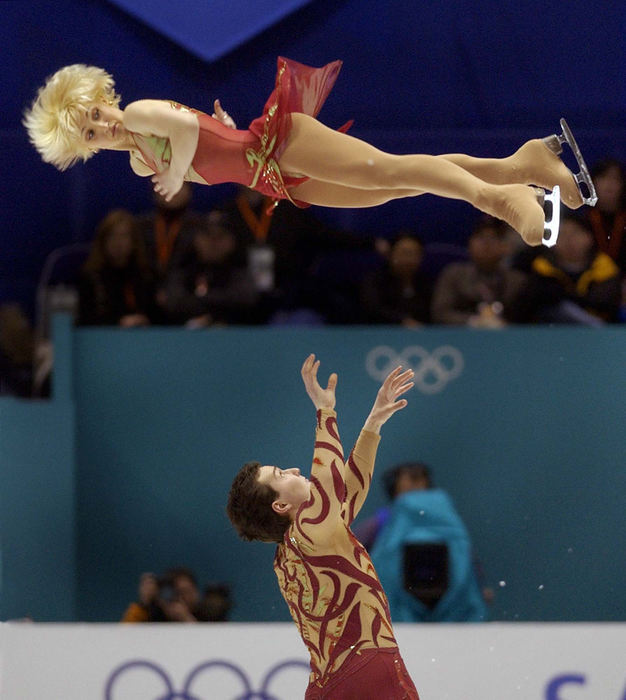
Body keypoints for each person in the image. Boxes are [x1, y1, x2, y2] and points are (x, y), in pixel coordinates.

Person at [24, 58, 588, 248]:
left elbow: (186, 137)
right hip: (277, 180)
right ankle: (524, 166)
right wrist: (206, 138)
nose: (104, 125)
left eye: (96, 111)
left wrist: (184, 162)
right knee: (395, 187)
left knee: (390, 169)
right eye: (90, 132)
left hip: (281, 139)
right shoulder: (137, 161)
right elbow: (206, 152)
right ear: (86, 150)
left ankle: (499, 200)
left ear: (103, 96)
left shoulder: (143, 111)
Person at [227, 355, 419, 699]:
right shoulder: (309, 531)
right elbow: (329, 483)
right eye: (281, 475)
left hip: (326, 684)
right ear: (281, 506)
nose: (295, 471)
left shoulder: (297, 546)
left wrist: (374, 422)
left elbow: (346, 490)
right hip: (369, 671)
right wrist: (325, 411)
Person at [354, 462, 488, 623]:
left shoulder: (383, 522)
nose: (413, 482)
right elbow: (467, 558)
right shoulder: (447, 515)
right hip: (453, 603)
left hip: (397, 604)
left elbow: (354, 550)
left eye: (417, 477)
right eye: (410, 477)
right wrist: (480, 588)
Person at [508, 212, 621, 325]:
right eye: (561, 234)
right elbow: (521, 311)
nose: (569, 240)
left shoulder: (605, 269)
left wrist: (565, 297)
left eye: (575, 233)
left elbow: (608, 306)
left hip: (599, 335)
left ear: (589, 237)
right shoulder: (541, 269)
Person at [430, 217, 526, 326]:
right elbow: (440, 312)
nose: (487, 244)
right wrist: (473, 321)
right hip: (461, 337)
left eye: (494, 238)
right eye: (481, 238)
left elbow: (529, 318)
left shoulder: (517, 281)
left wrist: (504, 324)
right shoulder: (453, 275)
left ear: (505, 247)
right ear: (469, 244)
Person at [162, 220, 259, 326]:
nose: (213, 243)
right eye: (207, 236)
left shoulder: (239, 268)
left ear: (231, 241)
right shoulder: (185, 268)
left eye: (220, 237)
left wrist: (204, 301)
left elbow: (246, 299)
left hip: (234, 332)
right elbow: (174, 301)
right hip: (183, 333)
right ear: (197, 240)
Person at [78, 209, 155, 326]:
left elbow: (156, 315)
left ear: (134, 241)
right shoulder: (91, 276)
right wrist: (119, 323)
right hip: (103, 338)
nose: (118, 242)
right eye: (112, 236)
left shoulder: (145, 274)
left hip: (144, 338)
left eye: (124, 236)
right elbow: (86, 318)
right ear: (103, 240)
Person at [360, 231, 432, 326]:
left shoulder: (426, 283)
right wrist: (401, 320)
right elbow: (373, 309)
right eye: (404, 253)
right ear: (390, 254)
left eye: (415, 253)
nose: (409, 259)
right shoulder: (375, 281)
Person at [585, 158, 626, 272]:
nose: (609, 183)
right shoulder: (581, 218)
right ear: (593, 181)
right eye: (603, 177)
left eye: (616, 179)